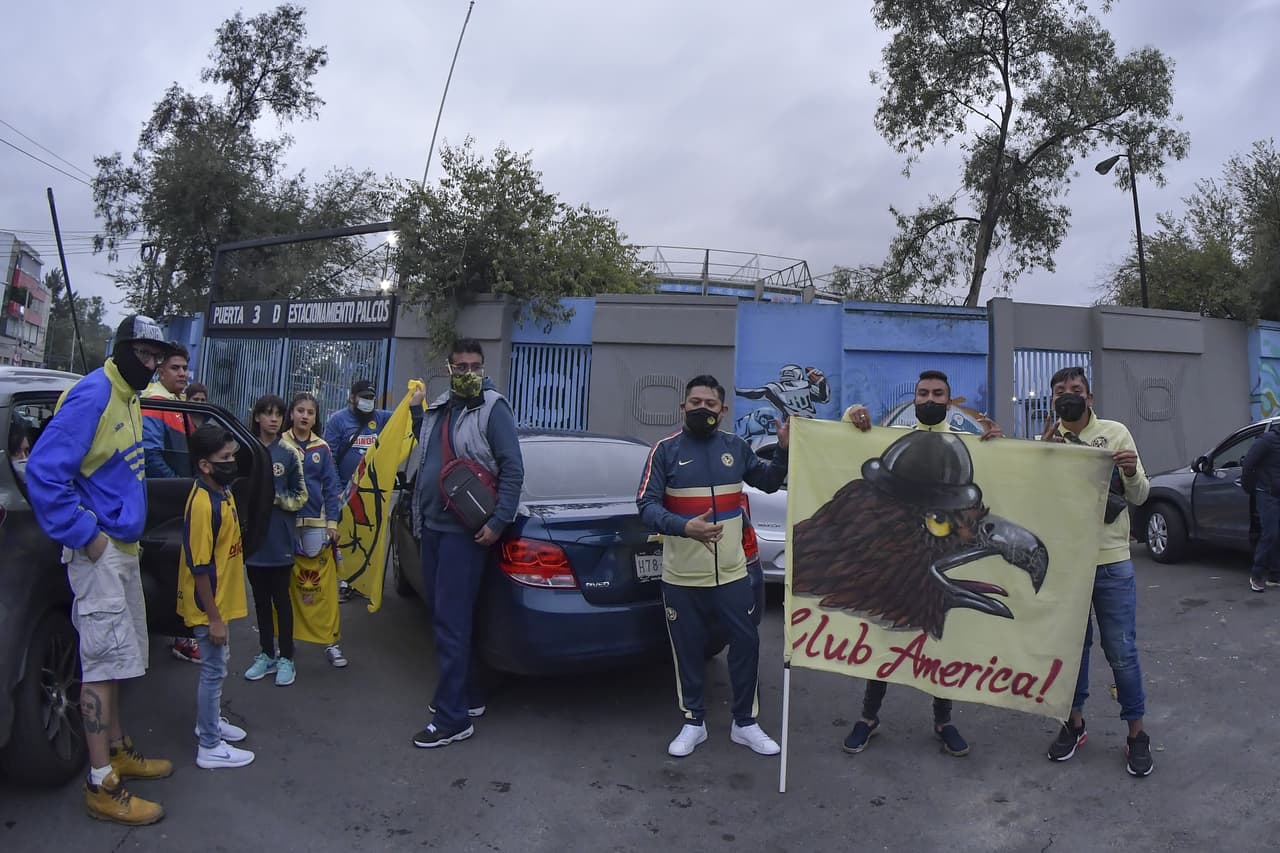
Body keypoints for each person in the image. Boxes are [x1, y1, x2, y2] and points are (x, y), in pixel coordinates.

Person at [25, 315, 175, 826]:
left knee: (118, 660)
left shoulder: (130, 396)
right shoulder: (92, 395)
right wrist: (86, 535)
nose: (152, 365)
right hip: (100, 555)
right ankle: (100, 785)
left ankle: (117, 751)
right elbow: (43, 472)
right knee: (100, 667)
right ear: (123, 350)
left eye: (158, 357)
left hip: (123, 551)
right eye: (146, 355)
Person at [843, 370, 1003, 758]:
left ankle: (944, 720)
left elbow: (998, 477)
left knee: (942, 640)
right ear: (913, 398)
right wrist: (852, 414)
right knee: (883, 637)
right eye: (923, 393)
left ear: (949, 401)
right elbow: (848, 438)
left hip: (941, 557)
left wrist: (1001, 448)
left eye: (937, 394)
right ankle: (868, 717)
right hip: (893, 560)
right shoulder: (894, 433)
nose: (929, 398)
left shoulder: (968, 439)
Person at [637, 374, 789, 759]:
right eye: (695, 402)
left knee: (747, 643)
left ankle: (745, 723)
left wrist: (784, 451)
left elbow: (769, 482)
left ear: (723, 411)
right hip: (681, 576)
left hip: (734, 574)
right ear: (682, 408)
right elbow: (647, 506)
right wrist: (683, 527)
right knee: (687, 649)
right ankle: (693, 722)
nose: (702, 409)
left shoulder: (736, 448)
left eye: (710, 404)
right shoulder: (665, 451)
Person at [1040, 365, 1154, 777]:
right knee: (1073, 651)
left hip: (1111, 563)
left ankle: (1136, 734)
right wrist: (1042, 458)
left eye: (1075, 389)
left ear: (1089, 398)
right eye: (1060, 391)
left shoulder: (1116, 433)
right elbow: (1041, 502)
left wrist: (1129, 470)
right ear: (1052, 400)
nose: (1067, 395)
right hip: (1068, 565)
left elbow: (1141, 495)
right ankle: (1074, 723)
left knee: (1122, 652)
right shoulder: (1047, 441)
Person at [410, 338, 524, 749]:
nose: (468, 373)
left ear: (484, 366)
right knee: (449, 618)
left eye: (475, 366)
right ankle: (467, 696)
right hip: (433, 529)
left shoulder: (493, 408)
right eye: (461, 367)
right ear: (449, 368)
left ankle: (453, 718)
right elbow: (427, 454)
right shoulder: (441, 407)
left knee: (451, 623)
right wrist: (413, 413)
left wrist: (498, 521)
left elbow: (513, 469)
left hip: (465, 532)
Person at [179, 424, 254, 770]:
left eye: (233, 456)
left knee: (218, 668)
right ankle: (209, 745)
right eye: (225, 458)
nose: (232, 462)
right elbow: (199, 567)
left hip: (220, 602)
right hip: (208, 607)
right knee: (212, 671)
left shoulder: (222, 492)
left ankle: (208, 721)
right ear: (205, 465)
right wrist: (213, 617)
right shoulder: (202, 506)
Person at [323, 378, 425, 602]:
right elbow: (329, 457)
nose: (368, 402)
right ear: (352, 397)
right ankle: (344, 580)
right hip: (343, 491)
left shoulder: (381, 418)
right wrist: (338, 490)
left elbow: (403, 419)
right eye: (363, 398)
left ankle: (362, 579)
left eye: (371, 398)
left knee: (367, 536)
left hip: (370, 493)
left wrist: (415, 399)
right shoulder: (338, 421)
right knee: (344, 536)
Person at [140, 343, 201, 665]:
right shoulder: (155, 402)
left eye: (185, 368)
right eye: (175, 368)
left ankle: (181, 632)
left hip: (179, 496)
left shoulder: (177, 403)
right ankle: (179, 635)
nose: (182, 374)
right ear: (160, 370)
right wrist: (181, 489)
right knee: (173, 568)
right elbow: (151, 456)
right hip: (167, 501)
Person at [243, 395, 308, 686]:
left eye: (278, 415)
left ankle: (287, 658)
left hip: (280, 540)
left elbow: (301, 495)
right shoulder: (244, 450)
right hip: (253, 542)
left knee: (282, 601)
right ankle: (266, 654)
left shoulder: (290, 453)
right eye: (267, 414)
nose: (273, 419)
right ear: (257, 417)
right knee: (260, 601)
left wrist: (276, 499)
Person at [280, 392, 346, 667]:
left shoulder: (323, 448)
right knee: (285, 584)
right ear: (292, 414)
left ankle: (330, 641)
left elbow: (331, 488)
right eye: (300, 410)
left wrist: (332, 523)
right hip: (285, 524)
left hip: (316, 525)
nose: (305, 416)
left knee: (319, 585)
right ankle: (286, 640)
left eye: (310, 412)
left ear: (316, 418)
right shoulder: (279, 444)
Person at [1240, 421, 1280, 592]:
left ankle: (1275, 575)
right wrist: (1250, 489)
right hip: (1267, 494)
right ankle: (1256, 576)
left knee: (1277, 535)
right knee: (1270, 534)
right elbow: (1248, 464)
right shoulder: (1267, 440)